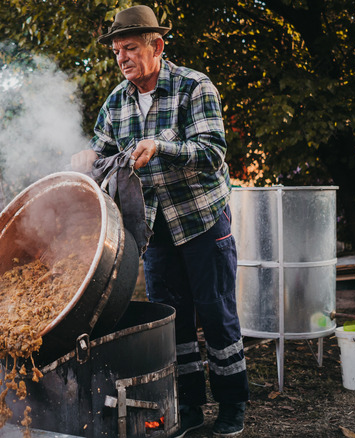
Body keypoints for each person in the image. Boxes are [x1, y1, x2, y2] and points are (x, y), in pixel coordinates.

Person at [71, 5, 250, 438]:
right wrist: (86, 157)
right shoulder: (117, 102)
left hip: (202, 220)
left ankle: (232, 406)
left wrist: (161, 147)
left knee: (217, 311)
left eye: (130, 48)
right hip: (153, 229)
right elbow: (100, 148)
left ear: (158, 46)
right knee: (175, 319)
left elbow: (211, 153)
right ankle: (189, 406)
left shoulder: (194, 86)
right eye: (116, 52)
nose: (122, 58)